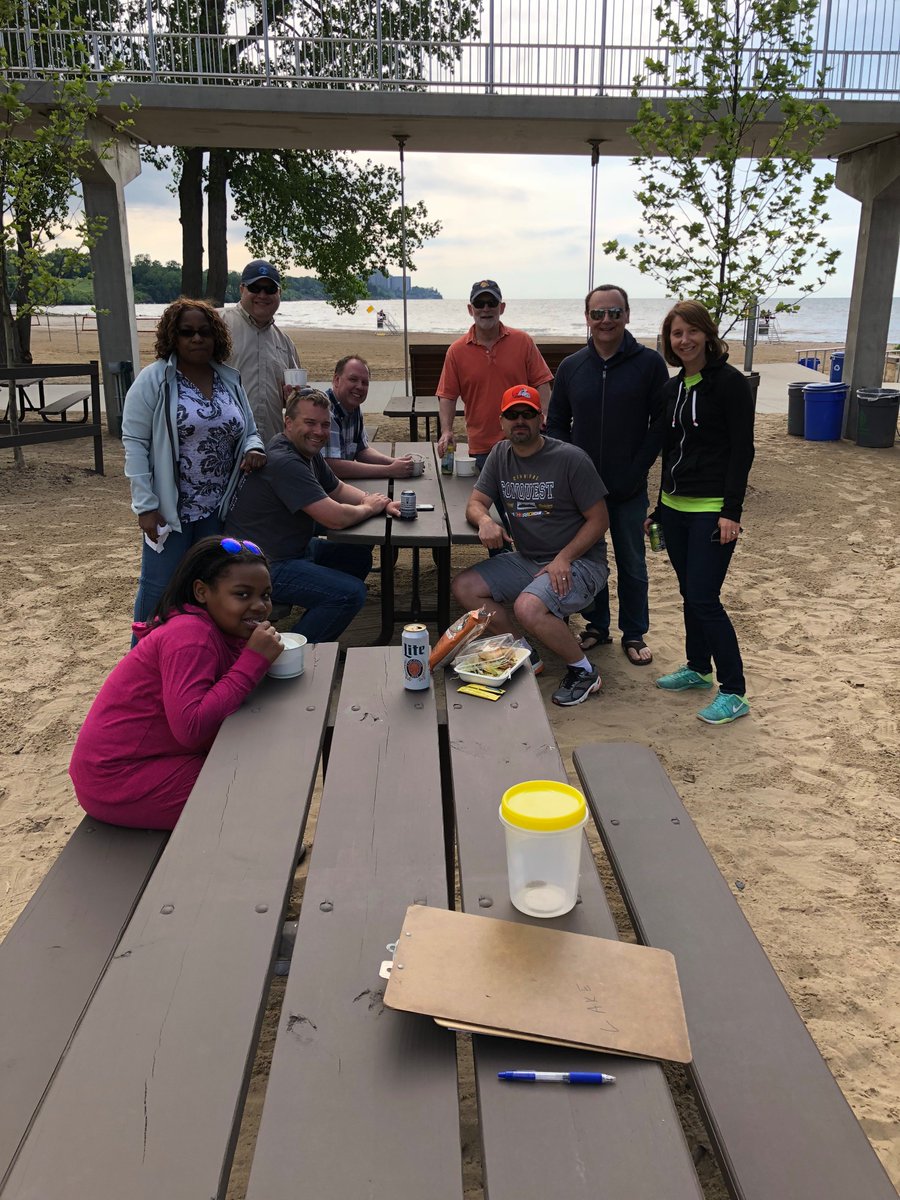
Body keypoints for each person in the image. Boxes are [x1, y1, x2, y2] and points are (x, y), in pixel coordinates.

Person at [69, 537, 284, 830]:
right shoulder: (189, 637)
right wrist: (253, 661)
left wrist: (251, 655)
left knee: (259, 758)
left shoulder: (216, 627)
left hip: (154, 760)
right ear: (201, 592)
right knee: (248, 787)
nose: (259, 606)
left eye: (266, 595)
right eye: (243, 595)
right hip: (117, 780)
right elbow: (192, 728)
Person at [451, 385, 610, 707]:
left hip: (580, 563)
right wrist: (485, 521)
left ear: (542, 420)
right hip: (528, 558)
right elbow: (476, 502)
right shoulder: (499, 454)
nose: (519, 421)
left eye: (527, 414)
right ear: (502, 421)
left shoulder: (570, 459)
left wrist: (564, 558)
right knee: (465, 587)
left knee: (527, 607)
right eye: (512, 415)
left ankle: (584, 671)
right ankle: (524, 653)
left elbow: (600, 519)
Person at [122, 298, 267, 625]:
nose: (197, 339)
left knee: (207, 590)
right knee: (160, 589)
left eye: (204, 332)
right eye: (187, 333)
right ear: (173, 337)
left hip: (218, 509)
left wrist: (253, 448)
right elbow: (134, 443)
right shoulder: (154, 380)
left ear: (216, 336)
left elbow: (250, 429)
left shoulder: (229, 379)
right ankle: (141, 663)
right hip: (171, 511)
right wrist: (145, 505)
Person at [546, 284, 669, 665]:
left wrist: (638, 469)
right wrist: (572, 466)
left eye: (614, 313)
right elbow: (556, 424)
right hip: (582, 492)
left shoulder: (649, 364)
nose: (605, 321)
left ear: (627, 315)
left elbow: (660, 425)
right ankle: (597, 625)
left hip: (628, 487)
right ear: (587, 318)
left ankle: (633, 633)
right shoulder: (572, 367)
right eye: (598, 313)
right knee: (590, 560)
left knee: (633, 562)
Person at [649, 300, 755, 725]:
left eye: (692, 331)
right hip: (674, 509)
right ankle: (697, 667)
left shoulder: (729, 384)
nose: (685, 340)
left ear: (707, 335)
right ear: (670, 342)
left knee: (705, 598)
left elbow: (742, 450)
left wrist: (732, 510)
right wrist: (657, 508)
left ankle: (734, 691)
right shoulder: (673, 389)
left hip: (712, 512)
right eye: (677, 334)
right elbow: (669, 451)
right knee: (689, 592)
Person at [225, 387, 401, 642]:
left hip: (293, 550)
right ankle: (288, 651)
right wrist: (369, 507)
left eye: (324, 425)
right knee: (349, 594)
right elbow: (335, 518)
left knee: (357, 556)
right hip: (262, 566)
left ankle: (318, 618)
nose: (319, 432)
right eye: (310, 423)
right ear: (288, 422)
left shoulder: (306, 452)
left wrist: (373, 501)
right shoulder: (285, 461)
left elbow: (337, 488)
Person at [435, 280, 553, 470]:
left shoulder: (523, 342)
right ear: (470, 309)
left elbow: (542, 381)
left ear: (502, 307)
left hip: (524, 440)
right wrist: (446, 431)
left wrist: (546, 414)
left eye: (492, 303)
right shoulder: (456, 351)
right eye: (479, 304)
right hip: (482, 447)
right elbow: (447, 396)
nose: (486, 309)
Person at [222, 260, 302, 445]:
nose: (262, 295)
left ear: (279, 293)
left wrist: (292, 398)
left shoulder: (285, 343)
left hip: (270, 446)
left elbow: (294, 403)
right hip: (226, 445)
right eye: (255, 288)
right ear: (242, 289)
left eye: (270, 289)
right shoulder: (218, 325)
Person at [323, 355, 417, 480]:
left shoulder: (353, 408)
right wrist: (389, 470)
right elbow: (332, 466)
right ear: (336, 380)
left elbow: (362, 451)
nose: (360, 386)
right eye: (353, 379)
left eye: (365, 382)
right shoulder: (325, 410)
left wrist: (394, 462)